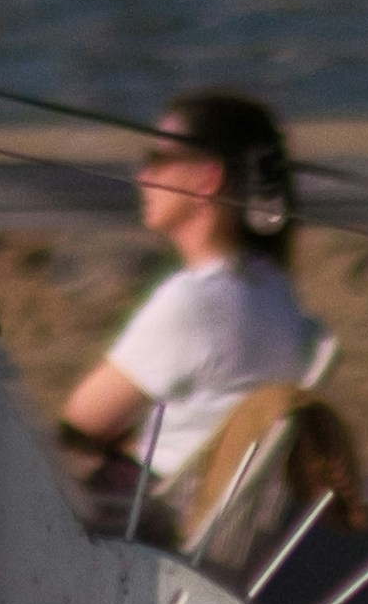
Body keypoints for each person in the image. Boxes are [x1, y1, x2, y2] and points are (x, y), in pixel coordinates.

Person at [52, 90, 338, 518]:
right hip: (214, 520)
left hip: (144, 524)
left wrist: (120, 439)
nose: (143, 176)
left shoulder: (192, 303)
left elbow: (79, 425)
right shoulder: (276, 292)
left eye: (157, 158)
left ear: (206, 179)